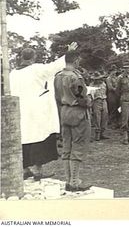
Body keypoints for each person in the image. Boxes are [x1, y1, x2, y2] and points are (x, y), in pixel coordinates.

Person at [10, 46, 70, 181]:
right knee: (39, 138)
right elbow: (54, 66)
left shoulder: (13, 73)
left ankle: (25, 170)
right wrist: (68, 53)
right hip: (36, 112)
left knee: (23, 139)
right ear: (34, 57)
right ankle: (37, 172)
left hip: (21, 111)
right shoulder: (36, 69)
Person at [54, 48, 92, 192]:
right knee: (77, 147)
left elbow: (58, 97)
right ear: (76, 60)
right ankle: (74, 181)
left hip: (64, 111)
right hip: (78, 113)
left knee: (67, 147)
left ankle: (68, 180)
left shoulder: (58, 76)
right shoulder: (76, 77)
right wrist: (90, 101)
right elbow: (82, 98)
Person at [89, 71, 109, 141]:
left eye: (99, 78)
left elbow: (106, 92)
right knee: (97, 118)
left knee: (105, 116)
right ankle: (97, 133)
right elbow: (90, 96)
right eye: (96, 79)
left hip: (104, 100)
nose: (98, 80)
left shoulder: (103, 84)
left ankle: (102, 133)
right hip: (96, 101)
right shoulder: (91, 85)